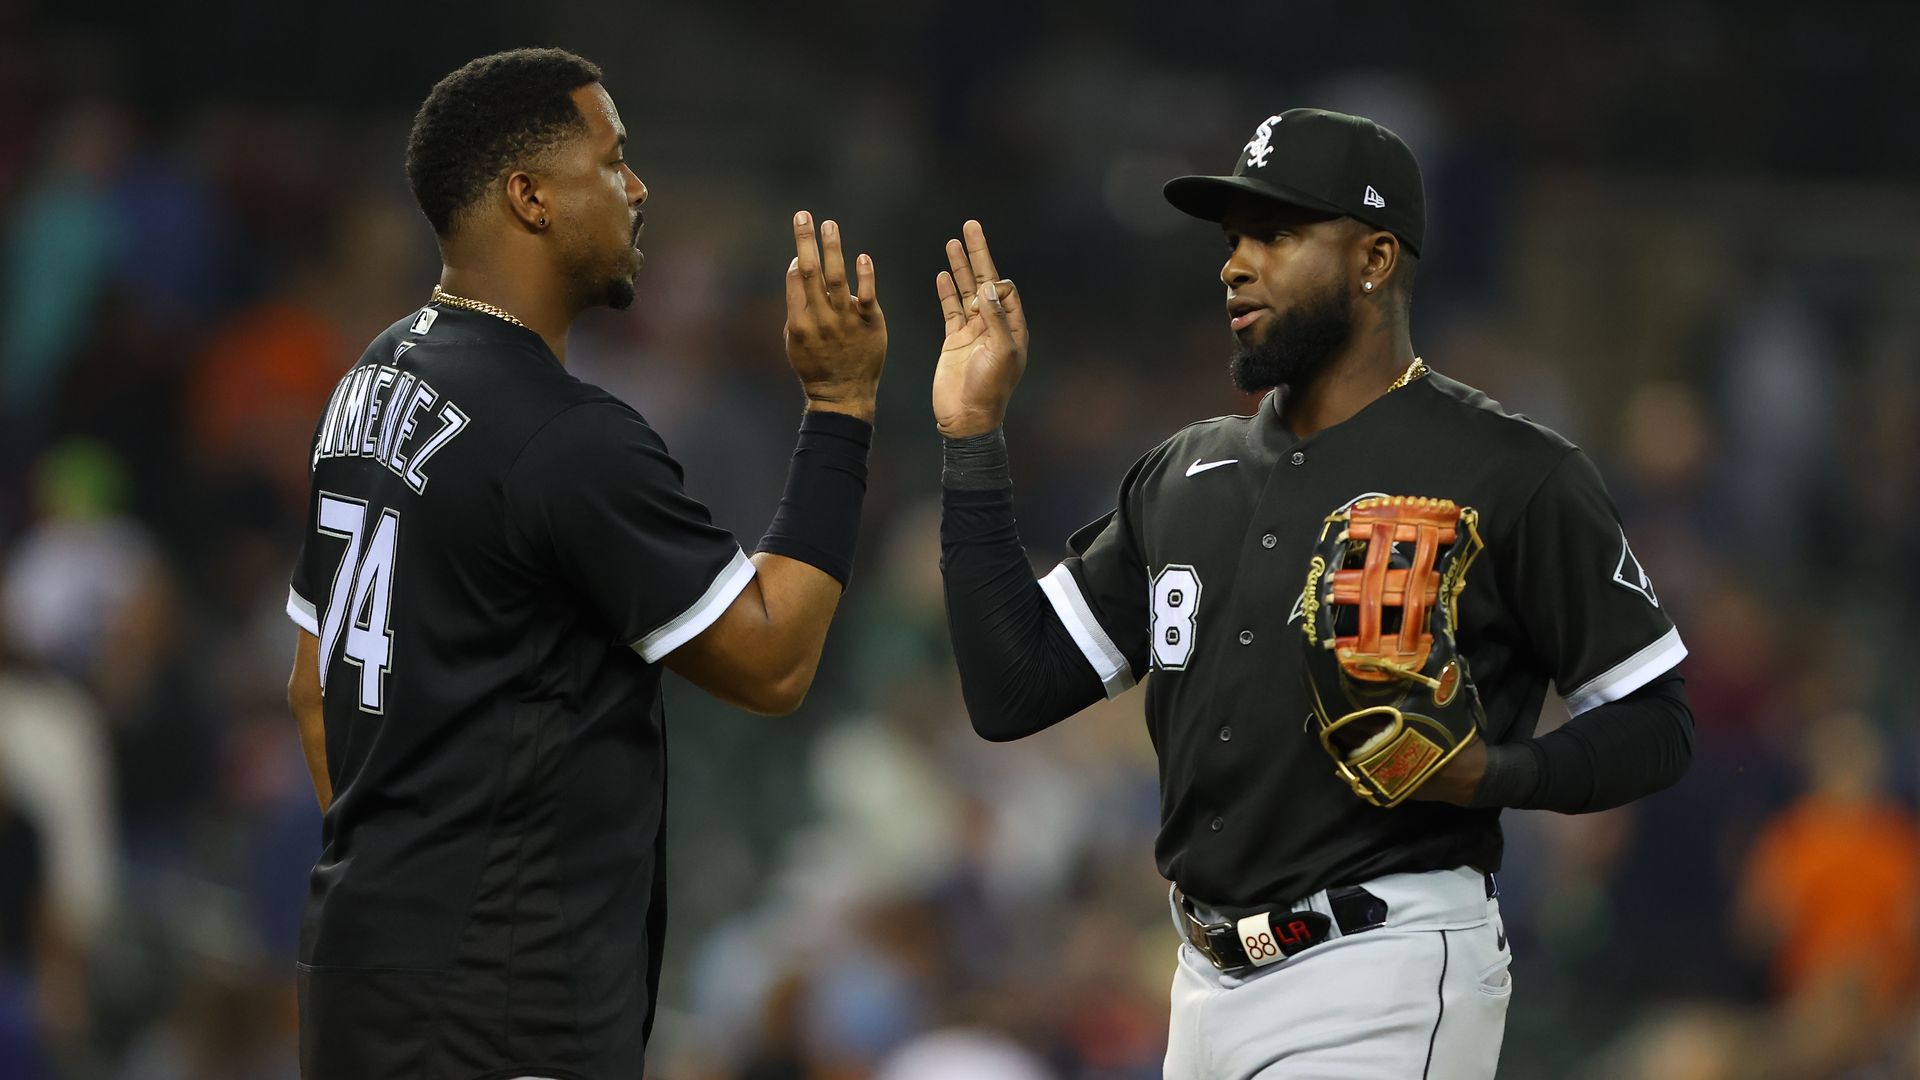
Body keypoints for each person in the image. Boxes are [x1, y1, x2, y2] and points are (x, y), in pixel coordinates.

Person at [932, 109, 1694, 1078]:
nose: (1235, 266)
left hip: (1386, 963)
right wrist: (972, 441)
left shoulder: (1512, 470)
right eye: (1234, 239)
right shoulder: (1183, 473)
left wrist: (1490, 775)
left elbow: (1658, 723)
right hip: (1202, 981)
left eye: (1278, 235)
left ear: (1375, 257)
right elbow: (1014, 688)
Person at [282, 48, 887, 1079]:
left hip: (359, 977)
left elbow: (310, 692)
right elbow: (773, 659)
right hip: (501, 1008)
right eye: (611, 161)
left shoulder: (370, 379)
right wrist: (839, 410)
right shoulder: (565, 436)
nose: (638, 188)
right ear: (529, 196)